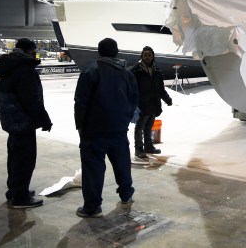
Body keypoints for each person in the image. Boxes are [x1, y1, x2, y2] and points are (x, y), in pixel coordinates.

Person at [74, 38, 138, 218]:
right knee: (122, 165)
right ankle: (126, 195)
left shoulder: (91, 71)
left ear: (99, 52)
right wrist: (124, 120)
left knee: (93, 169)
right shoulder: (127, 73)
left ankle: (92, 207)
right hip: (118, 130)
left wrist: (80, 126)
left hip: (94, 131)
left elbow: (81, 102)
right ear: (117, 52)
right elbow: (134, 100)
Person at [0, 38, 52, 209]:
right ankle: (20, 197)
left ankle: (14, 190)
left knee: (14, 157)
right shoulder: (24, 70)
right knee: (24, 159)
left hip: (12, 120)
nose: (35, 53)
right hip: (23, 122)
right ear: (28, 50)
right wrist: (44, 120)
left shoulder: (8, 66)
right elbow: (31, 100)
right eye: (34, 50)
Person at [130, 46, 173, 159]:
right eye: (145, 55)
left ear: (153, 56)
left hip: (154, 104)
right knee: (140, 127)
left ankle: (148, 146)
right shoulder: (136, 71)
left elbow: (161, 89)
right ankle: (138, 149)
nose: (147, 57)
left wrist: (167, 99)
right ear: (141, 56)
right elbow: (132, 89)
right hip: (142, 105)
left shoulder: (157, 71)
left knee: (148, 126)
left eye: (149, 55)